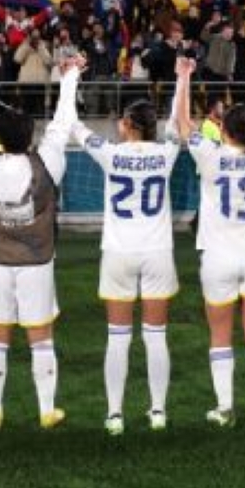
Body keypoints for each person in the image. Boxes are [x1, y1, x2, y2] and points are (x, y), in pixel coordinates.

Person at [0, 43, 81, 430]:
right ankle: (47, 409)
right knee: (40, 335)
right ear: (31, 135)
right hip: (36, 264)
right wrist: (69, 77)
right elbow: (63, 123)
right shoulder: (46, 162)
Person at [173, 57, 245, 427]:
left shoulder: (211, 155)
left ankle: (226, 407)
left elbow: (184, 125)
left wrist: (184, 79)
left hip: (218, 256)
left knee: (220, 332)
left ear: (224, 130)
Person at [73, 100, 180, 435]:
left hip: (119, 253)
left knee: (118, 339)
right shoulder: (166, 153)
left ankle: (115, 414)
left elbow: (76, 129)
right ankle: (158, 411)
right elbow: (178, 122)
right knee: (156, 337)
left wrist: (70, 82)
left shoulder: (111, 153)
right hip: (157, 252)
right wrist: (182, 79)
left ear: (130, 124)